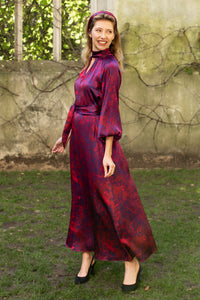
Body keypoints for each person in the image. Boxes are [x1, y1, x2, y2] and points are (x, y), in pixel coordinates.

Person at [52, 10, 157, 293]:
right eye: (99, 30)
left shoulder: (110, 66)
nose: (103, 36)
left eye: (109, 32)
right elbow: (78, 104)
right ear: (90, 32)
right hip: (80, 144)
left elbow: (109, 110)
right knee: (84, 199)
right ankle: (88, 255)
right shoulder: (89, 63)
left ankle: (131, 261)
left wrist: (108, 152)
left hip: (99, 142)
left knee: (113, 203)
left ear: (114, 36)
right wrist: (65, 136)